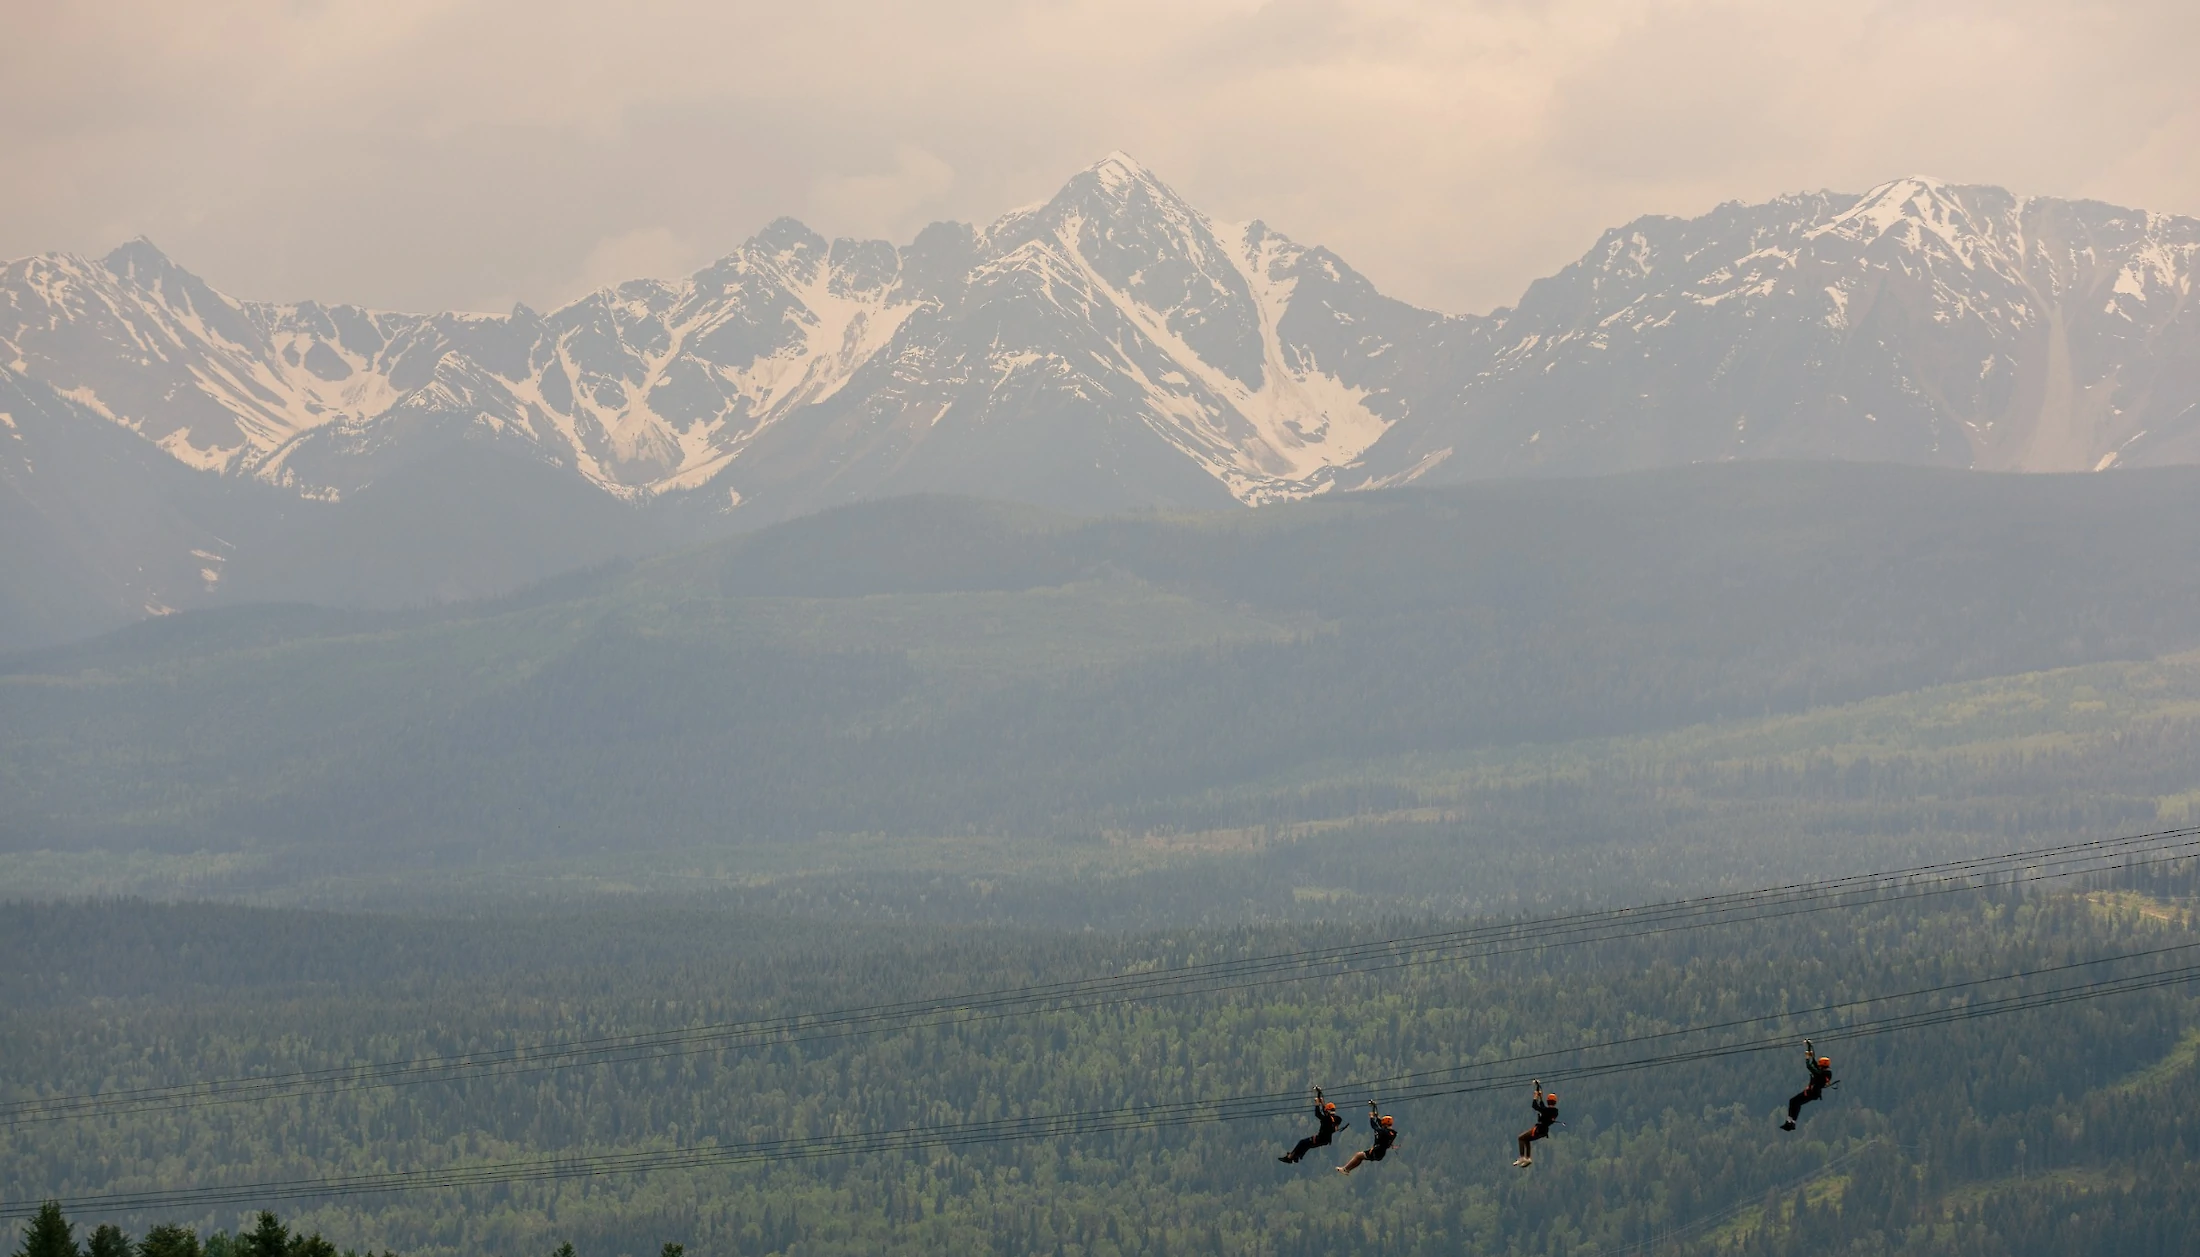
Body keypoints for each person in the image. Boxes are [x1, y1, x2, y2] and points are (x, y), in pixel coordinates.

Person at [1280, 1087, 1346, 1164]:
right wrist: (1321, 1101)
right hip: (1325, 1140)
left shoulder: (1327, 1119)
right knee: (1306, 1145)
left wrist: (1317, 1104)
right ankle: (1296, 1157)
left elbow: (1318, 1114)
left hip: (1320, 1139)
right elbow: (1326, 1112)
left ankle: (1290, 1157)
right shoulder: (1336, 1119)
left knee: (1302, 1143)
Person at [1780, 1039, 1836, 1131]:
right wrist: (1809, 1046)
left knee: (1794, 1101)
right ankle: (1791, 1122)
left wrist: (1806, 1058)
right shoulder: (1825, 1072)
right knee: (1795, 1102)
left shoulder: (1821, 1073)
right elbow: (1813, 1059)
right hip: (1813, 1092)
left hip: (1812, 1092)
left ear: (1821, 1065)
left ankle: (1791, 1122)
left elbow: (1810, 1066)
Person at [1336, 1101, 1396, 1174]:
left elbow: (1375, 1126)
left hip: (1376, 1152)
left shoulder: (1383, 1131)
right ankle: (1347, 1169)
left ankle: (1346, 1169)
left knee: (1358, 1155)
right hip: (1381, 1153)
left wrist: (1371, 1118)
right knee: (1360, 1157)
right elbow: (1381, 1125)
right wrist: (1375, 1112)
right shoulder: (1392, 1133)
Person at [1513, 1081, 1559, 1167]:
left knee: (1521, 1138)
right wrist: (1540, 1098)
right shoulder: (1555, 1112)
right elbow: (1544, 1109)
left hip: (1538, 1130)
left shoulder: (1546, 1111)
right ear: (1555, 1102)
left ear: (1548, 1101)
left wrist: (1535, 1097)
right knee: (1527, 1139)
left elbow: (1535, 1106)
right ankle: (1528, 1158)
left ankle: (1522, 1157)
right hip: (1544, 1131)